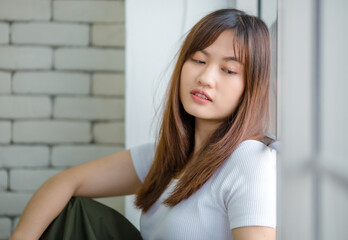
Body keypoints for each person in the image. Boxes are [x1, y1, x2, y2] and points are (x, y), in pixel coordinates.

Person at [10, 9, 276, 240]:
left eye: (228, 70)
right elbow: (66, 182)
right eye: (198, 60)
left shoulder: (249, 159)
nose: (206, 78)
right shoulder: (167, 156)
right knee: (75, 212)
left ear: (252, 87)